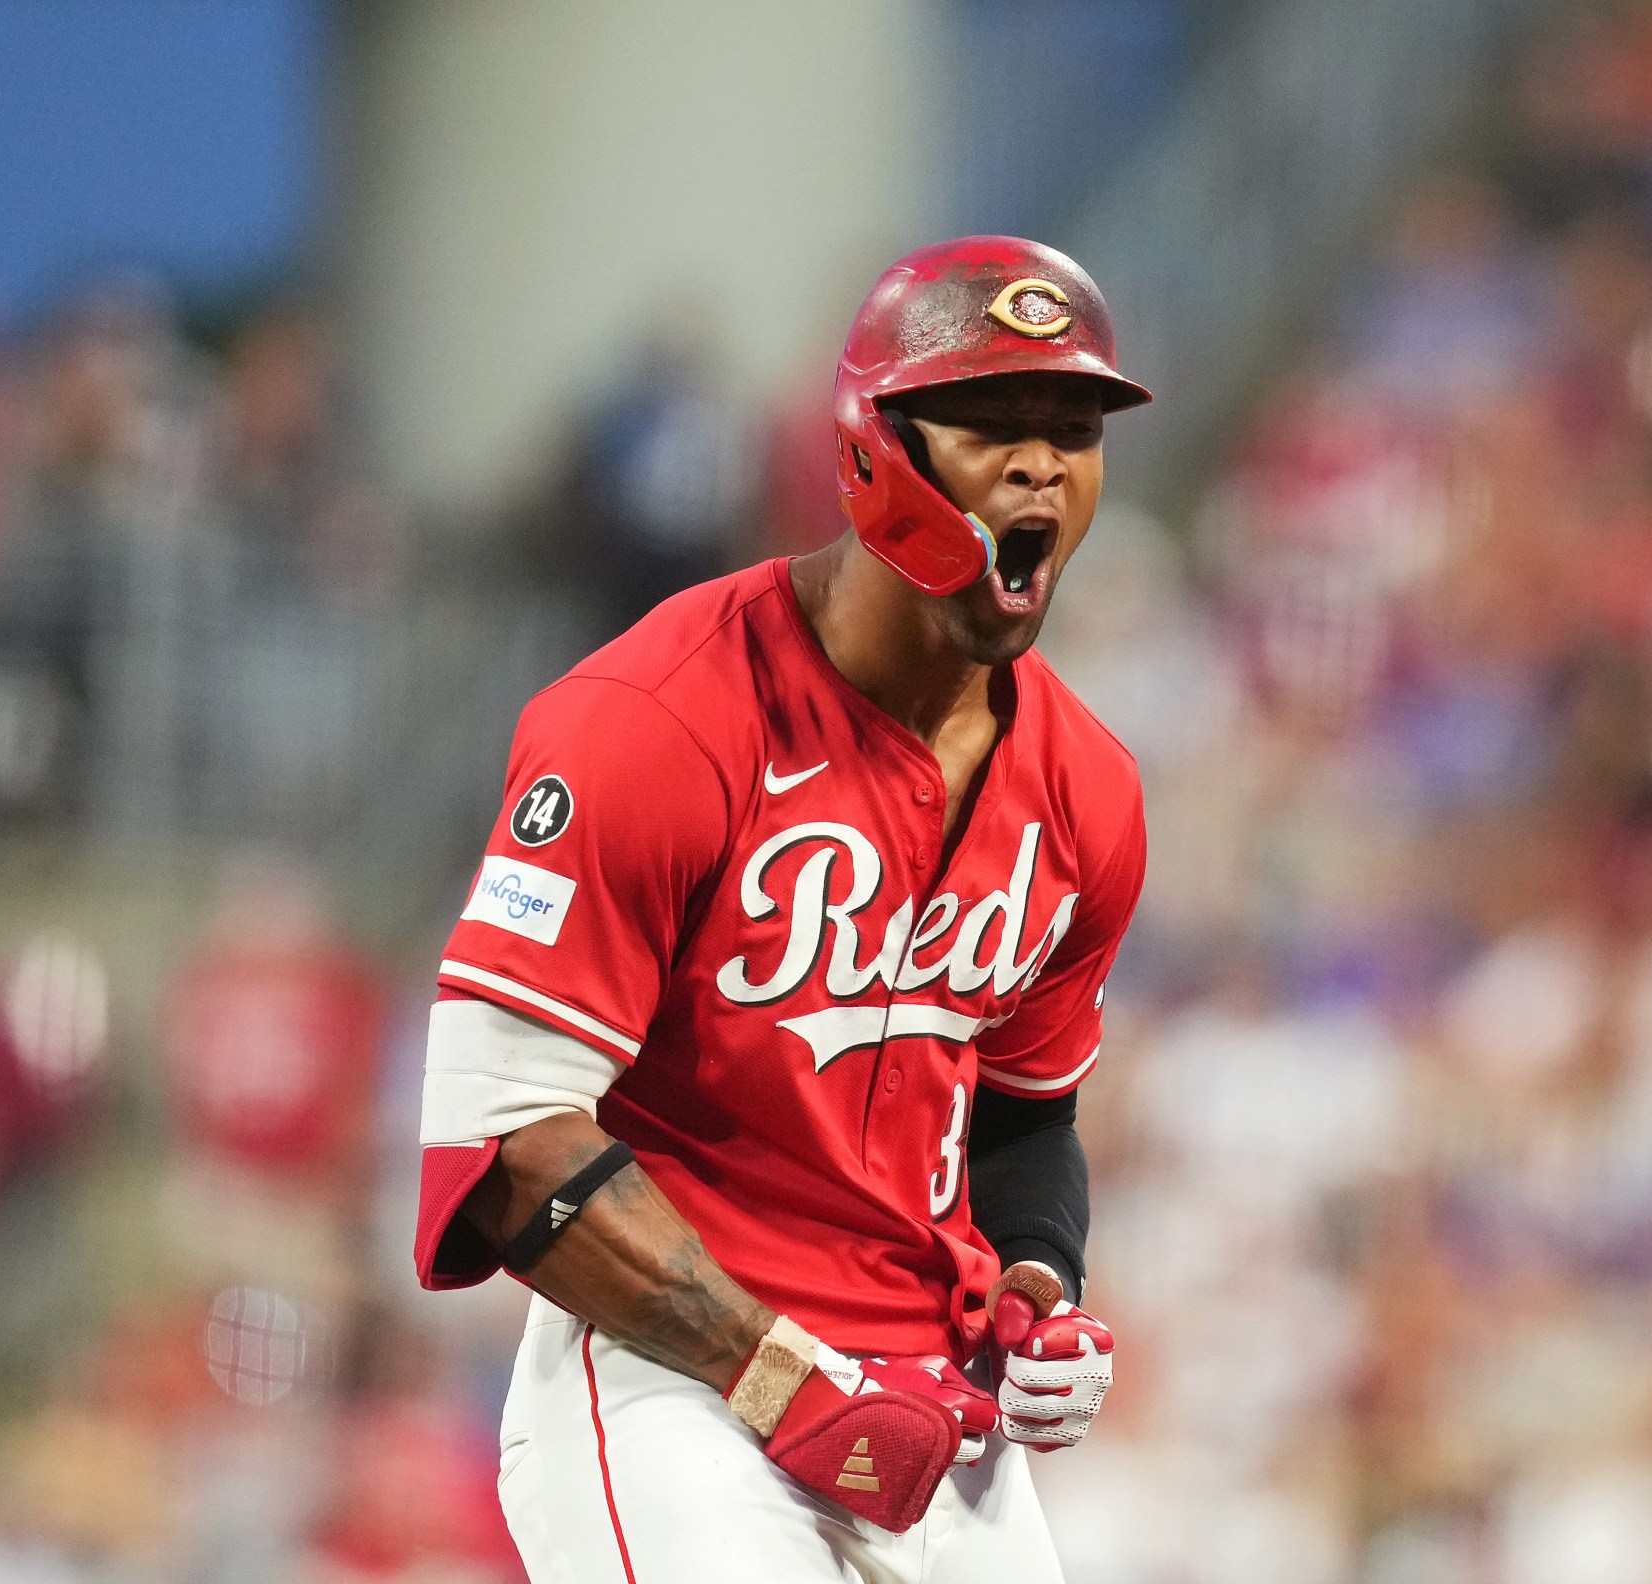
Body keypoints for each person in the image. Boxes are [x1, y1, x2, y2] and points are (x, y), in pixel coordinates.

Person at [412, 236, 1151, 1583]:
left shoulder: (1089, 789)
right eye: (993, 421)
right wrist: (779, 1381)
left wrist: (1040, 1288)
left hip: (931, 1410)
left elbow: (1027, 1109)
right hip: (668, 1383)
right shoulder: (650, 720)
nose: (1044, 462)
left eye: (1075, 427)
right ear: (873, 449)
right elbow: (509, 1142)